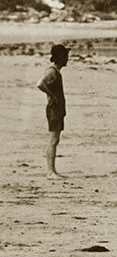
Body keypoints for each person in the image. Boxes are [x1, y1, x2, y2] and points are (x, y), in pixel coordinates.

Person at [37, 43, 69, 179]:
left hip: (57, 109)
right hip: (53, 109)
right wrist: (52, 95)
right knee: (53, 140)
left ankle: (52, 171)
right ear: (60, 57)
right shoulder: (52, 71)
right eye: (66, 56)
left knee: (55, 140)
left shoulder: (55, 71)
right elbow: (40, 84)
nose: (67, 59)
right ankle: (51, 172)